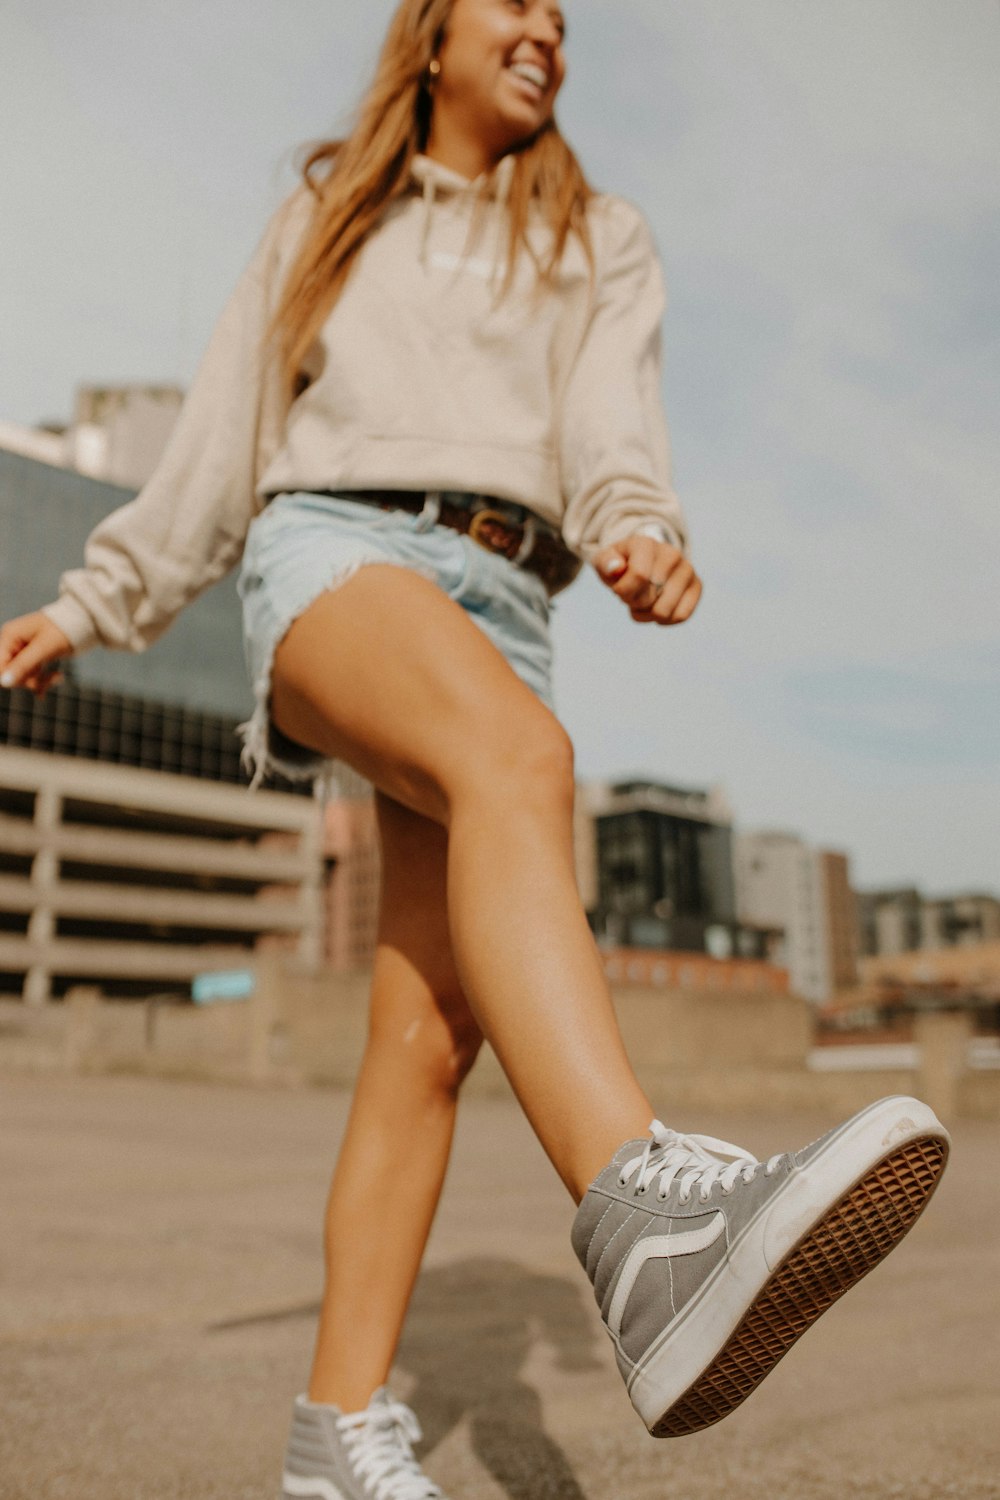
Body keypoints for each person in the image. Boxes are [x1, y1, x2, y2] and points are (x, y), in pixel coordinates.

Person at [0, 2, 950, 1497]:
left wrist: (637, 529)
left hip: (514, 593)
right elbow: (223, 440)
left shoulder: (596, 229)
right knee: (523, 762)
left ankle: (334, 1438)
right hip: (336, 550)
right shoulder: (333, 209)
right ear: (433, 34)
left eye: (565, 18)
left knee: (428, 1043)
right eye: (515, 2)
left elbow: (607, 419)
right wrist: (91, 599)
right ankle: (640, 1216)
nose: (547, 31)